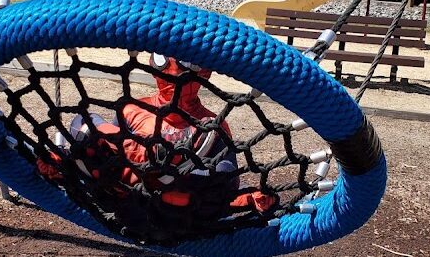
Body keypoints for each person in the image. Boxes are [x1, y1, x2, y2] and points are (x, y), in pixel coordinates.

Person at [36, 54, 276, 219]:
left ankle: (167, 167)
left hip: (180, 205)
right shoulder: (132, 109)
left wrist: (248, 198)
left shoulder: (211, 126)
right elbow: (105, 154)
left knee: (212, 158)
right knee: (84, 124)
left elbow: (225, 184)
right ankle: (153, 160)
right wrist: (64, 165)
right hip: (127, 195)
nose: (176, 72)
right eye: (167, 61)